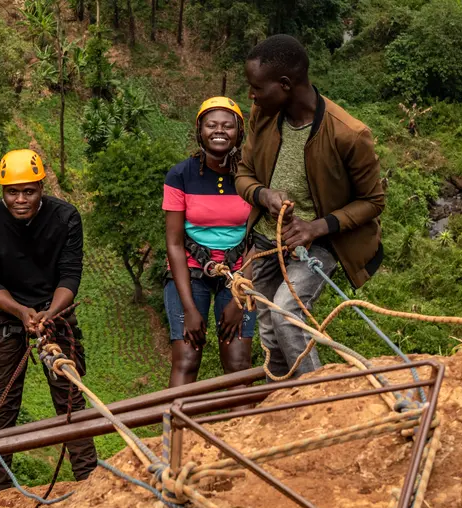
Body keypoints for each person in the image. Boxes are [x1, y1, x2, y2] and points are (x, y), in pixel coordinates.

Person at [235, 35, 385, 380]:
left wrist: (315, 227)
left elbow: (373, 201)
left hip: (318, 243)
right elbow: (243, 174)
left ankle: (318, 399)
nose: (251, 96)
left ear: (285, 84)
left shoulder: (348, 134)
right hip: (264, 242)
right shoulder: (263, 116)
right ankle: (282, 403)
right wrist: (263, 195)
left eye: (256, 87)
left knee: (287, 314)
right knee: (269, 329)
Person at [0, 149, 98, 492]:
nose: (21, 199)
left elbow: (70, 275)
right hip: (8, 312)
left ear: (42, 187)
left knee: (69, 393)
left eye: (29, 191)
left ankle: (88, 478)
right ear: (2, 191)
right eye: (13, 192)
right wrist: (20, 312)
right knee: (3, 402)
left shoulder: (65, 217)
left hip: (55, 310)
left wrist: (49, 314)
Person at [162, 97, 257, 388]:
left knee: (239, 362)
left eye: (228, 126)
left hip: (239, 272)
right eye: (211, 125)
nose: (219, 131)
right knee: (187, 359)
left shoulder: (252, 175)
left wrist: (241, 298)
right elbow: (175, 243)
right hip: (191, 271)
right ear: (199, 130)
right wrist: (189, 310)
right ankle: (176, 432)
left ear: (240, 133)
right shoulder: (180, 176)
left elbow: (260, 238)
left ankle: (244, 432)